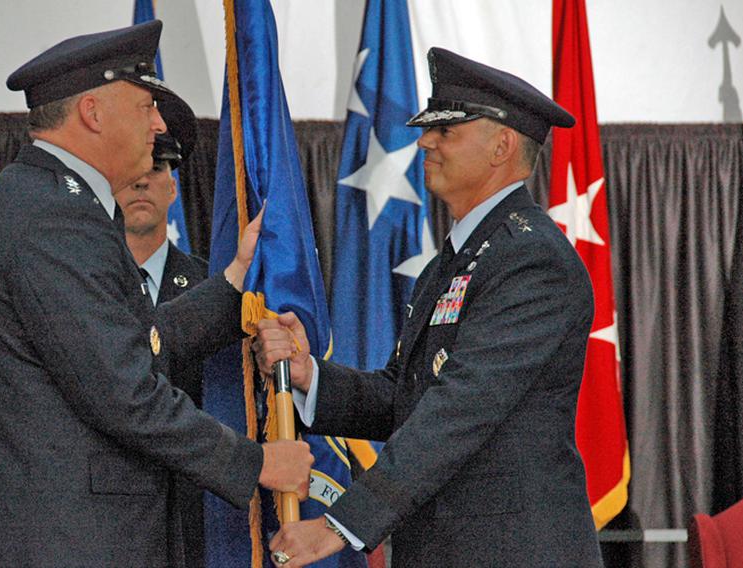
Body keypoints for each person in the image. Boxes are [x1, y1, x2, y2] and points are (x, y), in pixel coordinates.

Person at [0, 21, 313, 568]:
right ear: (93, 113)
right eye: (146, 105)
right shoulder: (54, 220)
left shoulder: (44, 202)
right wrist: (256, 463)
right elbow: (125, 391)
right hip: (71, 547)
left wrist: (234, 280)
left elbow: (132, 346)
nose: (159, 123)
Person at [253, 47, 603, 567]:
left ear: (501, 145)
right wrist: (310, 378)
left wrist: (341, 524)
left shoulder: (532, 259)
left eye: (446, 131)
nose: (424, 143)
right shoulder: (455, 259)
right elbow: (406, 397)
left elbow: (458, 409)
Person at [115, 131, 210, 565]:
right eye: (131, 172)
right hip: (110, 507)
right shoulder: (81, 286)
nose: (141, 183)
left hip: (194, 509)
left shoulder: (214, 292)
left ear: (173, 187)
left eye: (155, 170)